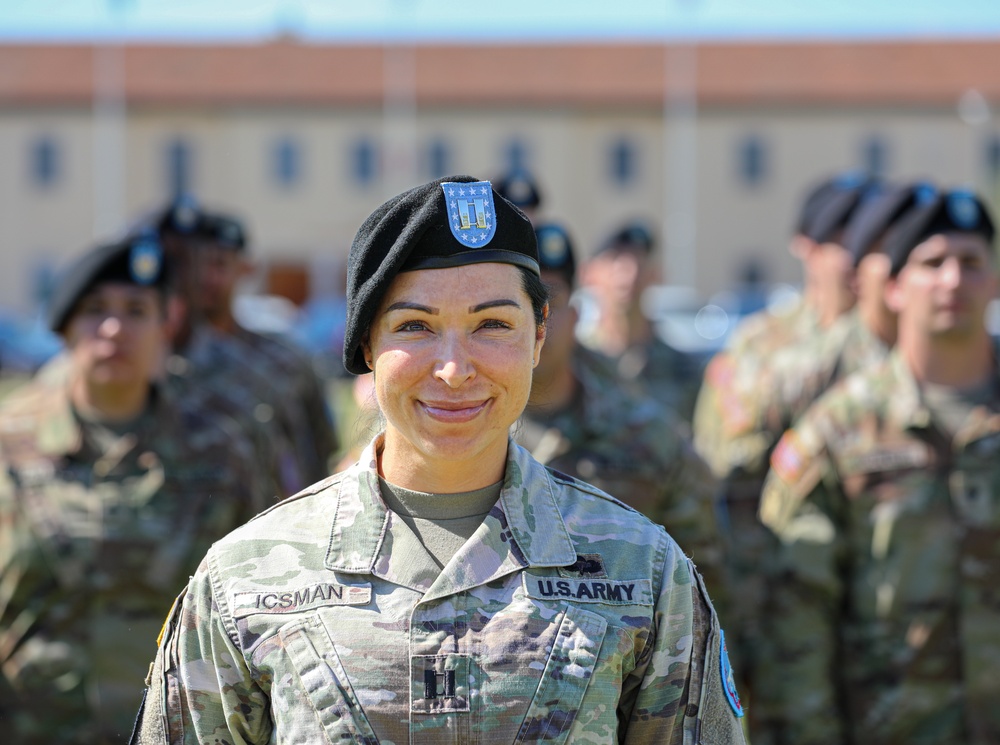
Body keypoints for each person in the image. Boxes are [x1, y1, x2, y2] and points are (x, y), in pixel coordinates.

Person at [131, 175, 747, 744]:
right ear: (366, 344)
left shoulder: (644, 570)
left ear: (539, 337)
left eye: (493, 325)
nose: (454, 369)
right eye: (417, 327)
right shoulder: (248, 578)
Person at [0, 235, 264, 744]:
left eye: (136, 310)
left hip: (176, 729)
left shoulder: (221, 448)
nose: (115, 328)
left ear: (168, 323)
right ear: (64, 328)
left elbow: (258, 600)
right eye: (95, 310)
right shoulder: (10, 443)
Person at [759, 189, 1000, 744]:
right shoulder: (838, 432)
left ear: (993, 280)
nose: (952, 281)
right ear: (893, 288)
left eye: (971, 263)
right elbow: (797, 617)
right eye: (931, 263)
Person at [518, 221, 728, 606]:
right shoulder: (457, 427)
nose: (538, 322)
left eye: (551, 300)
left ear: (577, 315)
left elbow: (699, 571)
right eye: (519, 302)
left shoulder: (642, 431)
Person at [579, 220, 703, 421]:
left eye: (637, 258)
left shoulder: (683, 370)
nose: (629, 272)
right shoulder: (576, 365)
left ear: (655, 274)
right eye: (615, 258)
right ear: (587, 273)